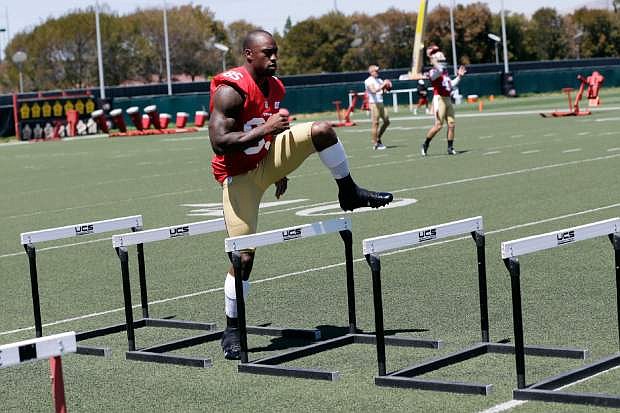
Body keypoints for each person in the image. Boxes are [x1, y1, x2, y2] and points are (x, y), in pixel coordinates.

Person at [208, 30, 394, 360]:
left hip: (264, 160)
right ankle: (233, 327)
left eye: (276, 51)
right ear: (249, 54)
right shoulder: (230, 90)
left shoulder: (276, 87)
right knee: (243, 257)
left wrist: (280, 169)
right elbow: (219, 141)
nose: (274, 58)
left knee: (322, 131)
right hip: (238, 176)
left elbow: (267, 137)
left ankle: (348, 191)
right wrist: (267, 130)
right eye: (267, 52)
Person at [413, 45, 466, 156]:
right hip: (439, 99)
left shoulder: (443, 71)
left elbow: (450, 85)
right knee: (438, 126)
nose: (443, 61)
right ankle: (425, 144)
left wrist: (460, 77)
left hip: (447, 99)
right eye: (441, 60)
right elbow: (437, 71)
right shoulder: (434, 72)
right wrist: (432, 58)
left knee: (451, 125)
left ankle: (450, 148)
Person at [364, 65, 391, 150]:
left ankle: (378, 138)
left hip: (380, 103)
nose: (377, 72)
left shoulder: (379, 80)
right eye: (375, 71)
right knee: (375, 123)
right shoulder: (368, 81)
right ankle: (376, 143)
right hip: (374, 104)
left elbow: (382, 92)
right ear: (371, 72)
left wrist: (388, 88)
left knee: (387, 121)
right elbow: (373, 91)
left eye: (377, 71)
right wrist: (383, 84)